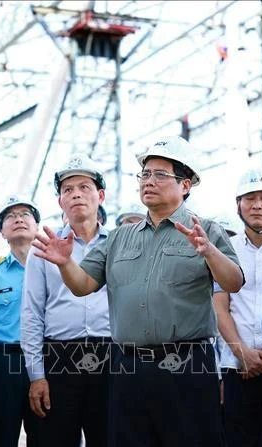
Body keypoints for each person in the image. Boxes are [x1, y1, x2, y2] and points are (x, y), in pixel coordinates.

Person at [32, 136, 243, 446]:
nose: (149, 181)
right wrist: (65, 264)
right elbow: (83, 286)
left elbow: (233, 282)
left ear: (186, 185)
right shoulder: (118, 238)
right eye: (145, 174)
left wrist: (209, 252)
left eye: (160, 174)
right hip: (128, 367)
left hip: (187, 365)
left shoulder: (206, 231)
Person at [21, 154, 112, 447]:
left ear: (100, 195)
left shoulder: (119, 244)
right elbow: (32, 314)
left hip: (111, 358)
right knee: (53, 439)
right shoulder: (44, 248)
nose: (75, 195)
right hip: (59, 358)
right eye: (67, 190)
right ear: (60, 201)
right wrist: (37, 376)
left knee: (111, 437)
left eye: (84, 187)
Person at [213, 167, 262, 447]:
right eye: (249, 198)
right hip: (236, 366)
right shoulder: (225, 249)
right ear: (238, 205)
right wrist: (242, 352)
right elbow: (219, 306)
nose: (257, 205)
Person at [0, 196, 41, 447]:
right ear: (2, 232)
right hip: (3, 363)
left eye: (25, 214)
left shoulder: (53, 267)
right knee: (0, 435)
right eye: (10, 216)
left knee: (47, 435)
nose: (18, 219)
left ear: (37, 226)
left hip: (45, 361)